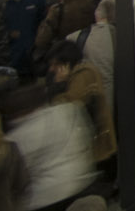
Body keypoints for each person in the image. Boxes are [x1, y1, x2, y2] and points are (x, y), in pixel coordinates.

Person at [1, 85, 96, 211]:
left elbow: (17, 171)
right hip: (80, 181)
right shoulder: (67, 111)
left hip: (46, 197)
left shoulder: (19, 136)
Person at [47, 41, 115, 172]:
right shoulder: (80, 73)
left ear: (66, 64)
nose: (51, 69)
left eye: (55, 64)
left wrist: (58, 86)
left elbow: (65, 107)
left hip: (95, 149)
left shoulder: (83, 75)